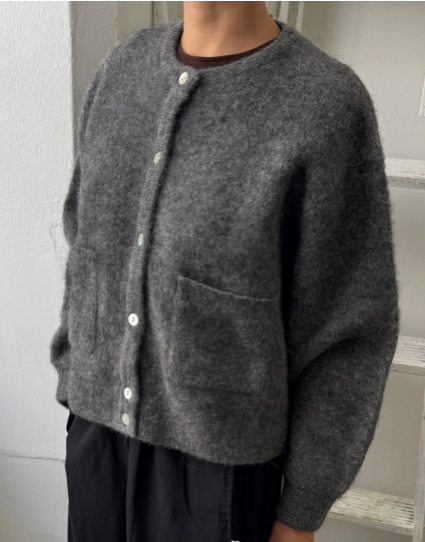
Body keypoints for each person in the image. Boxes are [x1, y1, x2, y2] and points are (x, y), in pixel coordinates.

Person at [50, 2, 400, 542]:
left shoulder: (323, 102)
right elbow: (85, 244)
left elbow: (348, 329)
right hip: (96, 441)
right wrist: (74, 376)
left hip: (219, 473)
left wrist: (301, 511)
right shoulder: (123, 68)